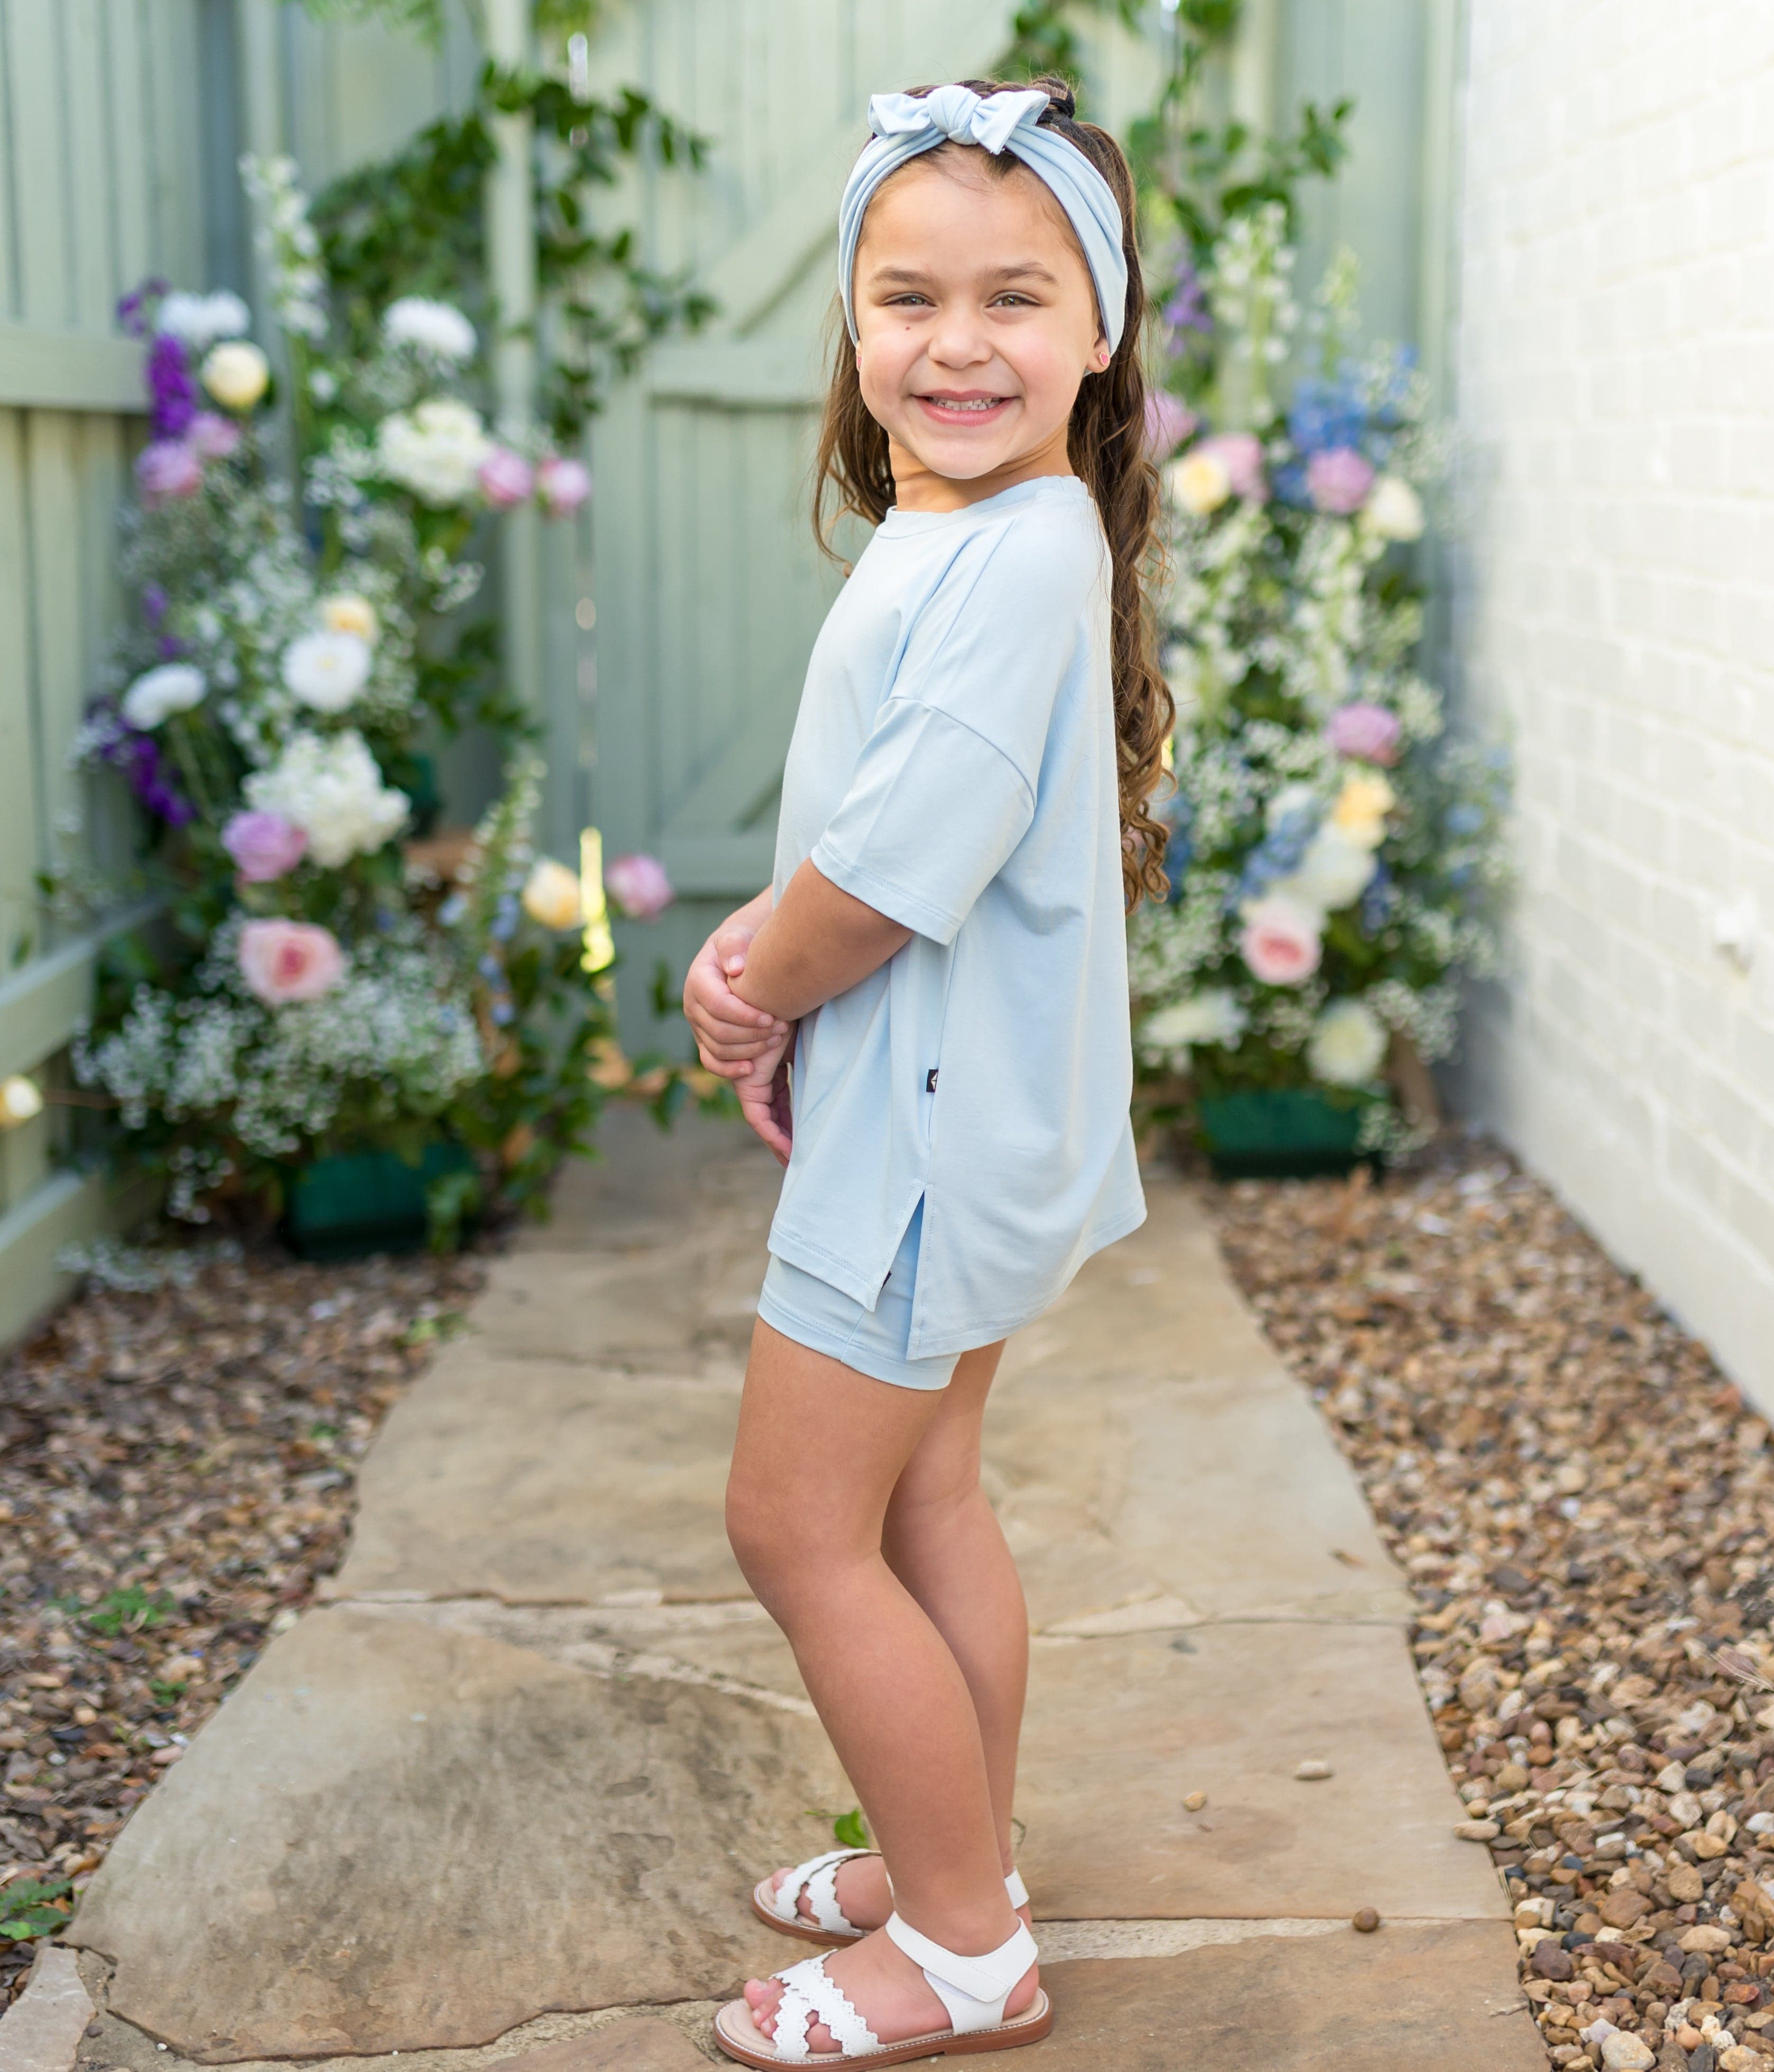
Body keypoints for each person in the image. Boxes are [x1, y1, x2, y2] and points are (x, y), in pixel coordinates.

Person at [680, 75, 1170, 2070]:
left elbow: (899, 858)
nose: (958, 343)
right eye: (909, 297)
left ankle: (963, 1950)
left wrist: (743, 978)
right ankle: (953, 1846)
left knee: (795, 1528)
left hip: (924, 1136)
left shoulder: (1016, 554)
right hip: (964, 1123)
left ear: (1104, 328)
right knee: (925, 1497)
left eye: (1017, 298)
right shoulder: (982, 525)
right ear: (857, 324)